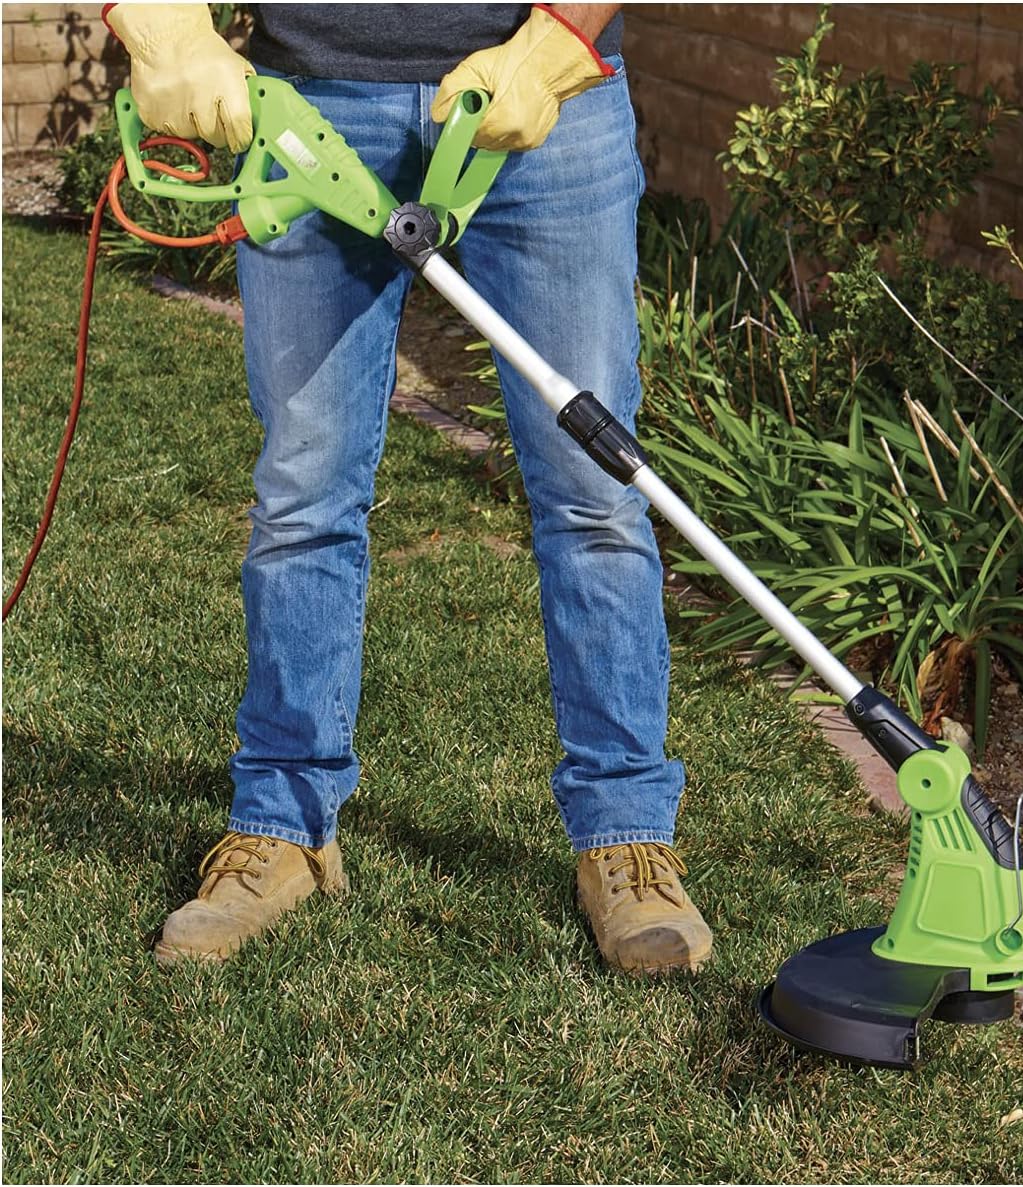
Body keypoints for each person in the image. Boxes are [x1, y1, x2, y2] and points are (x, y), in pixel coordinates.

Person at [103, 3, 713, 975]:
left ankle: (627, 836)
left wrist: (561, 35)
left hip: (547, 97)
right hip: (311, 99)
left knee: (593, 495)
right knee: (302, 492)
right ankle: (284, 824)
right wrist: (162, 25)